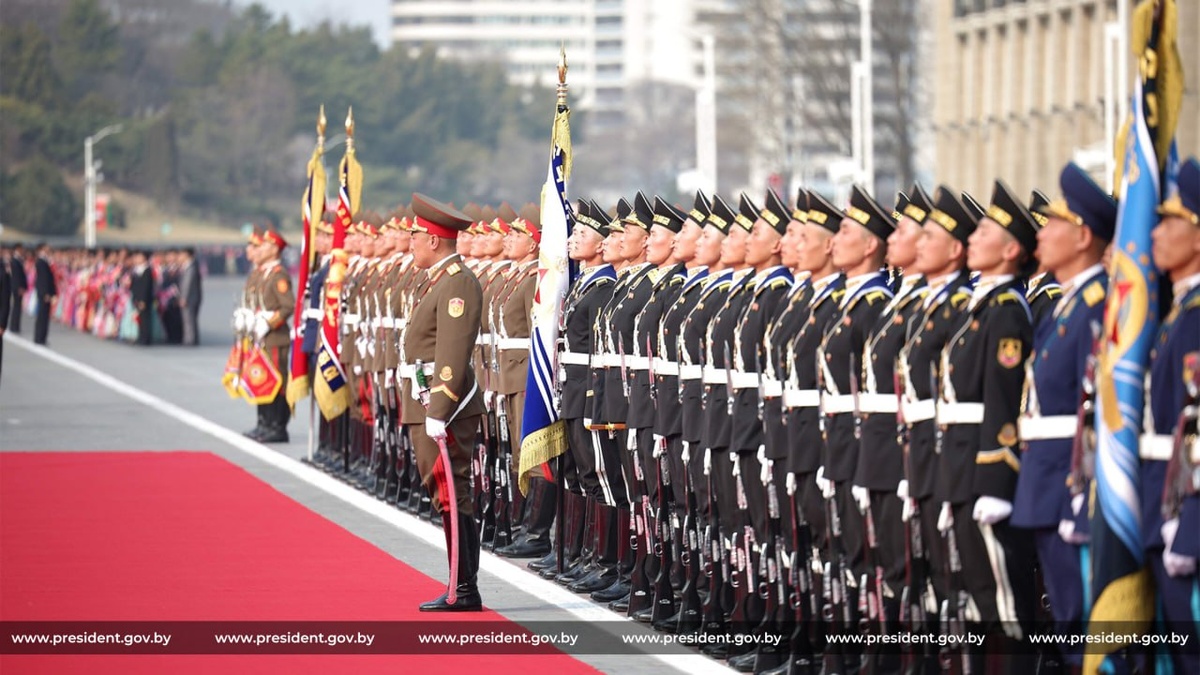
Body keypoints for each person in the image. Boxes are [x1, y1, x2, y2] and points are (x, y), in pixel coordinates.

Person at [1012, 162, 1115, 669]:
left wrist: (1083, 493)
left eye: (1053, 224)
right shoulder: (1065, 306)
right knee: (1068, 620)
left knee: (1086, 622)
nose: (1042, 234)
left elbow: (1097, 410)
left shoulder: (1097, 307)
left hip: (1071, 486)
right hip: (1047, 479)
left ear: (1083, 237)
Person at [401, 193, 486, 612]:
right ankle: (460, 584)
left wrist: (439, 410)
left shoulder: (457, 282)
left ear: (434, 239)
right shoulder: (440, 278)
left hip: (444, 406)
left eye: (415, 234)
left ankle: (464, 588)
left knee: (454, 494)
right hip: (427, 400)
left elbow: (452, 353)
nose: (410, 241)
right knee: (444, 494)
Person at [1144, 156, 1200, 674]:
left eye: (1170, 221)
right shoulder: (1179, 310)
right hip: (1164, 505)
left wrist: (1191, 527)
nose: (1155, 233)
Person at [250, 230, 295, 443]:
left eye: (265, 245)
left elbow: (287, 306)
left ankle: (278, 426)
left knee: (278, 383)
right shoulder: (263, 273)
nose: (260, 249)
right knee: (263, 379)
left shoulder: (279, 275)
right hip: (261, 337)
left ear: (275, 249)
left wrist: (268, 322)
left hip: (275, 337)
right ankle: (265, 422)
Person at [129, 250, 156, 346]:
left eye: (139, 257)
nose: (136, 259)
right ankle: (141, 336)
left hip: (145, 299)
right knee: (139, 319)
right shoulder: (136, 270)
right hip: (137, 298)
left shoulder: (147, 270)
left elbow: (146, 287)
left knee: (145, 319)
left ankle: (146, 338)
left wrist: (143, 300)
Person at [33, 242, 57, 346]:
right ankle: (39, 337)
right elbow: (43, 280)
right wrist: (46, 293)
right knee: (42, 316)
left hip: (45, 292)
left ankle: (41, 337)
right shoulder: (41, 262)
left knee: (44, 316)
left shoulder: (45, 261)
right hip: (44, 293)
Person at [178, 247, 202, 346]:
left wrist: (184, 297)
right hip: (192, 297)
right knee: (190, 319)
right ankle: (191, 338)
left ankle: (190, 339)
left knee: (189, 319)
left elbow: (187, 284)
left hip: (190, 298)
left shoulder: (191, 267)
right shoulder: (190, 266)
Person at [9, 243, 26, 334]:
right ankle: (14, 326)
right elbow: (16, 276)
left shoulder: (19, 260)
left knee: (18, 307)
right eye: (21, 249)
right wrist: (19, 287)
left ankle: (16, 325)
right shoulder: (14, 261)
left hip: (19, 286)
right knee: (16, 307)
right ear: (17, 249)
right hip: (17, 287)